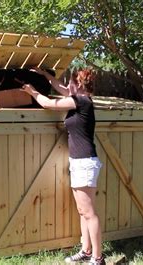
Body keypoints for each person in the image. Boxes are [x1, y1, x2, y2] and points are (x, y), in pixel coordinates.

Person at [21, 68, 105, 265]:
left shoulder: (81, 101)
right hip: (81, 162)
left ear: (79, 84)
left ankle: (98, 258)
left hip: (85, 163)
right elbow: (61, 89)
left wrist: (32, 92)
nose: (67, 86)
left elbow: (49, 103)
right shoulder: (79, 99)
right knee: (83, 211)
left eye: (71, 82)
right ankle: (86, 251)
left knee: (89, 213)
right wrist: (46, 76)